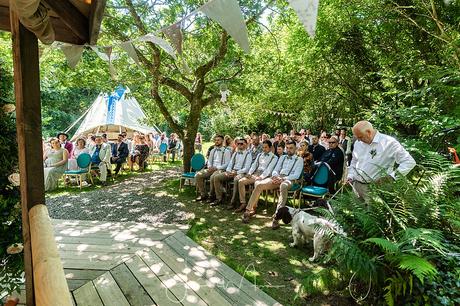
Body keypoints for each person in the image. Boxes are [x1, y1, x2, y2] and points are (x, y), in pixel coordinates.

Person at [347, 121, 416, 200]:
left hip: (376, 188)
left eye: (360, 137)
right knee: (356, 211)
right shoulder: (358, 143)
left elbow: (409, 161)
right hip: (357, 185)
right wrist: (350, 176)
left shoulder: (389, 142)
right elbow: (355, 161)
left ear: (368, 132)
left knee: (373, 212)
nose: (358, 140)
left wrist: (391, 177)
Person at [243, 141, 303, 227]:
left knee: (283, 185)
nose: (289, 150)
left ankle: (276, 217)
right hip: (277, 178)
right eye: (287, 148)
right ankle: (248, 210)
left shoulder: (299, 159)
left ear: (295, 148)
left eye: (291, 148)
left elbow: (296, 175)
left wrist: (282, 178)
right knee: (259, 184)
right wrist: (276, 176)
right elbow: (275, 169)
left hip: (290, 179)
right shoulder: (282, 157)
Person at [234, 140, 278, 212]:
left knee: (257, 183)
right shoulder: (259, 155)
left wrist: (261, 177)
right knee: (241, 181)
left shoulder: (274, 157)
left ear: (270, 148)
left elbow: (269, 169)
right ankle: (243, 203)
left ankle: (253, 207)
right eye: (263, 147)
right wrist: (250, 173)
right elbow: (254, 165)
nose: (264, 149)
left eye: (266, 147)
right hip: (256, 173)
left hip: (265, 176)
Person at [213, 138, 252, 207]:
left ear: (246, 145)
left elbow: (247, 168)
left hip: (241, 173)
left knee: (236, 179)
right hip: (232, 171)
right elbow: (230, 164)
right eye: (238, 144)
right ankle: (219, 198)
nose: (239, 145)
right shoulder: (235, 153)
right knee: (217, 177)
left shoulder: (248, 154)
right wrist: (228, 171)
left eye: (241, 144)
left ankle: (233, 202)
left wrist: (236, 172)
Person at [195, 135, 232, 202]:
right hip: (211, 168)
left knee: (213, 177)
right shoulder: (213, 150)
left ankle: (213, 196)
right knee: (198, 175)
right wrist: (209, 166)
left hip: (221, 169)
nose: (216, 141)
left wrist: (217, 168)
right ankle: (203, 194)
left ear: (222, 141)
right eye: (215, 140)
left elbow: (227, 163)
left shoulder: (226, 151)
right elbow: (209, 160)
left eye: (218, 140)